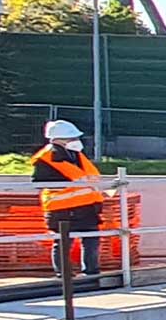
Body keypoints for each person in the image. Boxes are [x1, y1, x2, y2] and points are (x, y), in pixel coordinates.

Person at [32, 119, 109, 279]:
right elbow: (41, 183)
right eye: (71, 138)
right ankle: (64, 275)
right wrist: (70, 185)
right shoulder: (47, 158)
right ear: (58, 139)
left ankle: (91, 272)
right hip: (62, 209)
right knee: (63, 243)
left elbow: (87, 178)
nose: (75, 141)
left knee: (91, 240)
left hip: (86, 207)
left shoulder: (75, 154)